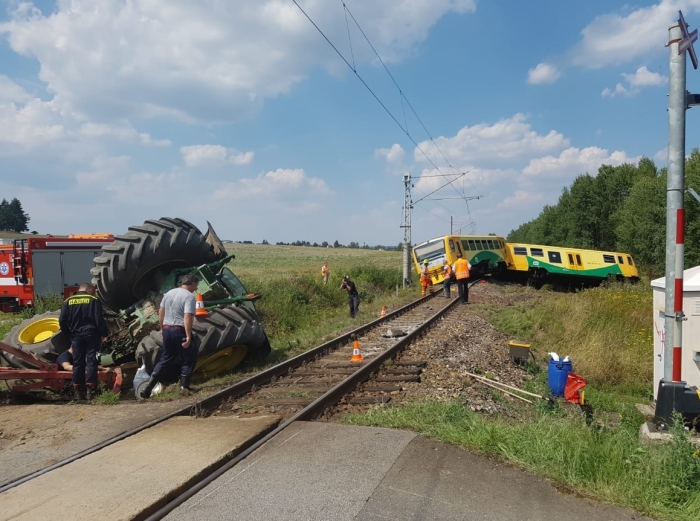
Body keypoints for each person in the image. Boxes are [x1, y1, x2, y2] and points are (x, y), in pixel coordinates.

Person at [139, 273, 200, 399]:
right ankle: (184, 387)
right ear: (193, 284)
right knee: (189, 357)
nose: (196, 288)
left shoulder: (169, 293)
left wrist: (162, 327)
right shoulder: (189, 296)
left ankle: (148, 388)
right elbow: (187, 316)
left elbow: (161, 311)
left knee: (166, 358)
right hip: (179, 330)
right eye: (196, 285)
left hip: (167, 329)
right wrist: (188, 336)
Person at [58, 282, 109, 400]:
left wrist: (67, 333)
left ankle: (78, 389)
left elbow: (62, 320)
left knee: (78, 363)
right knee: (91, 361)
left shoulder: (68, 301)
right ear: (89, 289)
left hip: (76, 335)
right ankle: (91, 389)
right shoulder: (93, 300)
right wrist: (104, 334)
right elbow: (99, 319)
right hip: (91, 335)